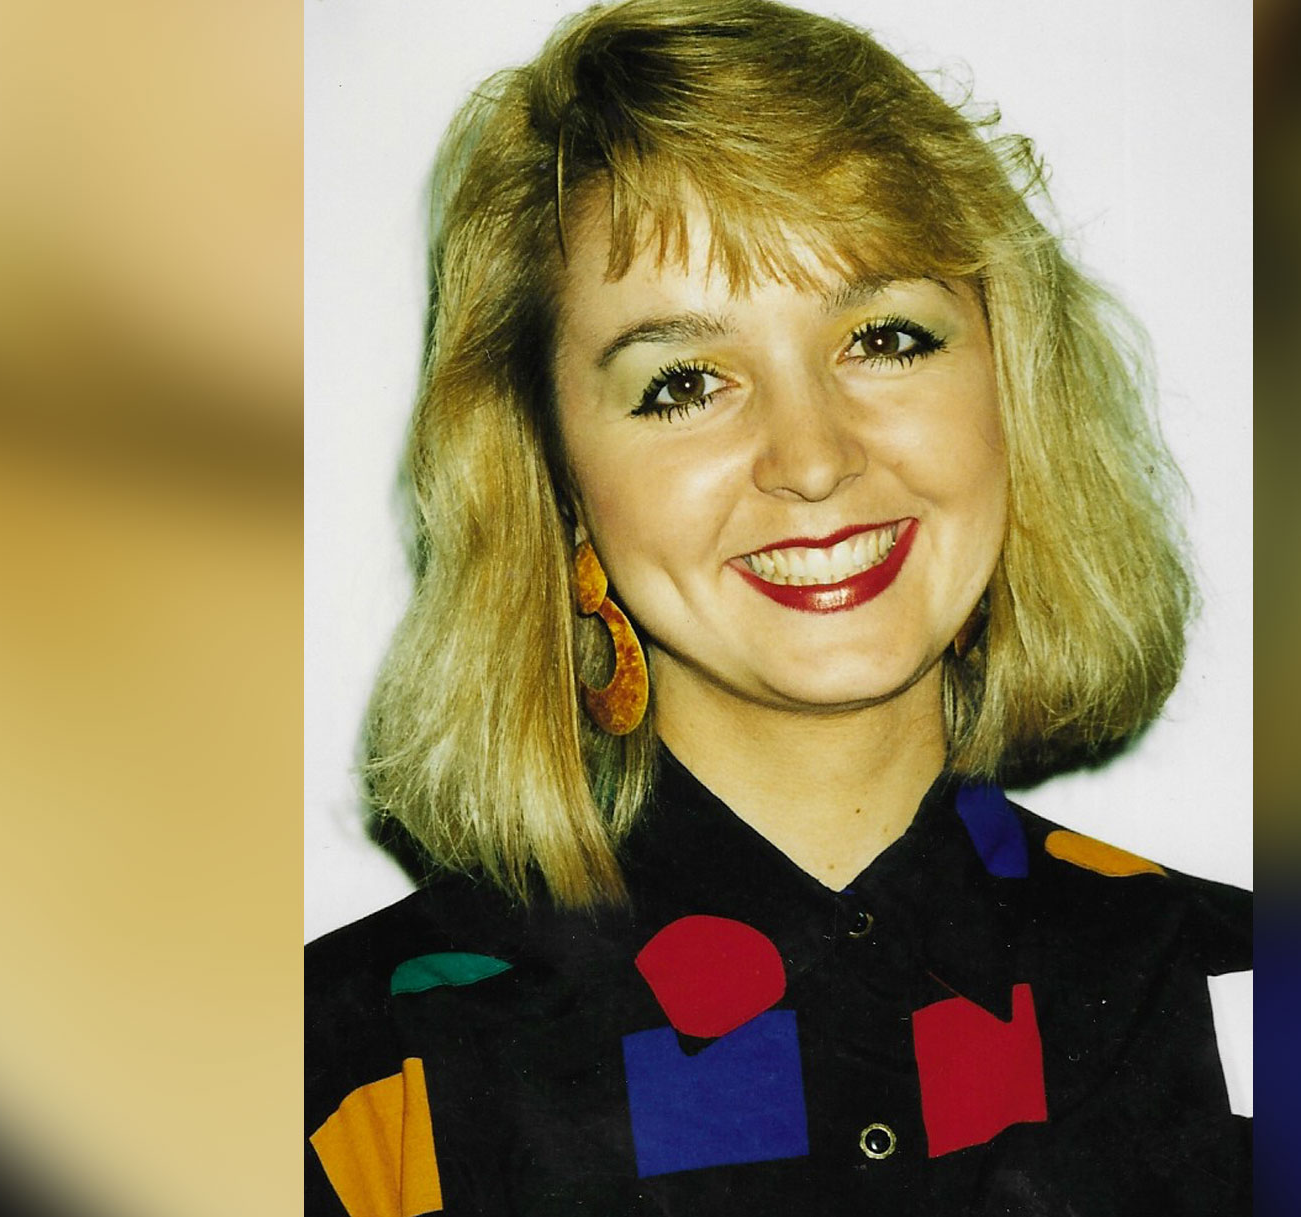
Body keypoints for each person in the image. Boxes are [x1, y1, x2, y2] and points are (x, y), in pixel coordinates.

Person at [306, 1, 1250, 1213]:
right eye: (683, 382)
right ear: (556, 484)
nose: (811, 457)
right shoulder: (337, 1088)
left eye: (884, 336)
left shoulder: (1281, 1016)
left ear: (1011, 391)